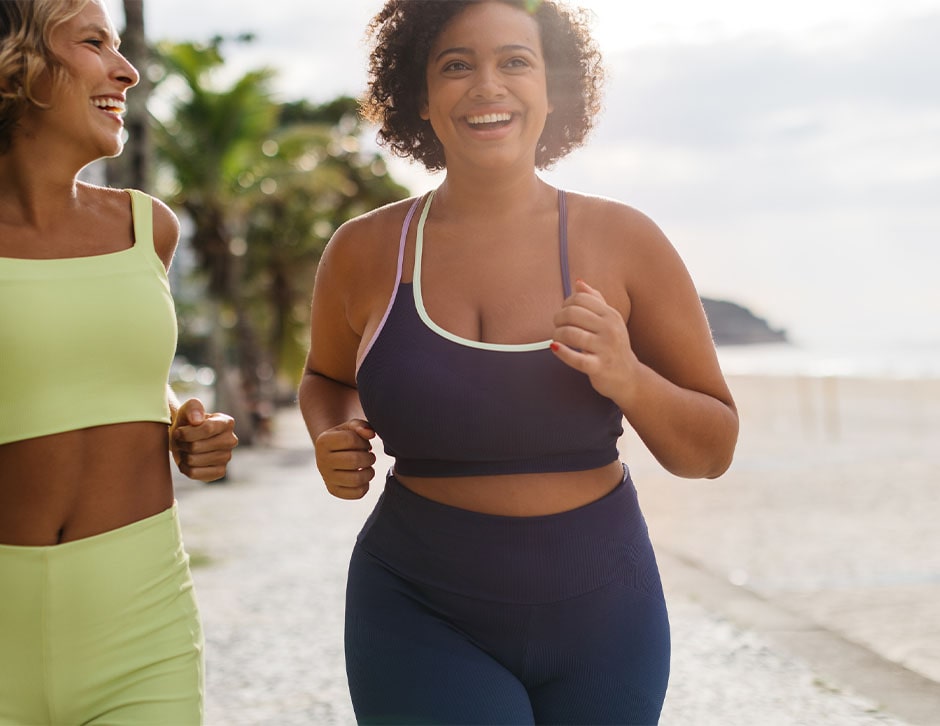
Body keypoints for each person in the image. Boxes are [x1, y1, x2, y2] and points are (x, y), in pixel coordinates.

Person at [299, 0, 739, 723]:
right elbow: (327, 378)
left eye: (515, 61)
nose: (486, 85)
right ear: (419, 94)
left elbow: (710, 452)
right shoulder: (365, 250)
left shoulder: (625, 240)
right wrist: (330, 433)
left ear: (553, 88)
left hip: (604, 610)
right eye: (456, 65)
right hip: (418, 608)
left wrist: (626, 375)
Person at [0, 1, 238, 724]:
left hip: (142, 619)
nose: (127, 69)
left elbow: (104, 362)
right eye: (94, 43)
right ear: (20, 63)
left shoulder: (146, 228)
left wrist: (181, 421)